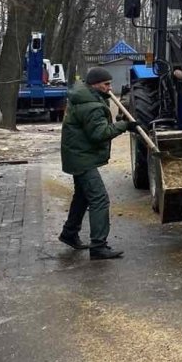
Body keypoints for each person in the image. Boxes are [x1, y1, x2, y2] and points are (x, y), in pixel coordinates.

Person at [59, 67, 136, 260]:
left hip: (76, 155)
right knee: (99, 199)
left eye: (110, 84)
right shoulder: (91, 106)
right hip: (82, 158)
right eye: (106, 84)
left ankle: (69, 233)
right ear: (94, 84)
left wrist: (117, 121)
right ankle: (98, 246)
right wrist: (124, 125)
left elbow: (97, 126)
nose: (109, 88)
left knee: (82, 196)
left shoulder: (85, 97)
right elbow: (99, 134)